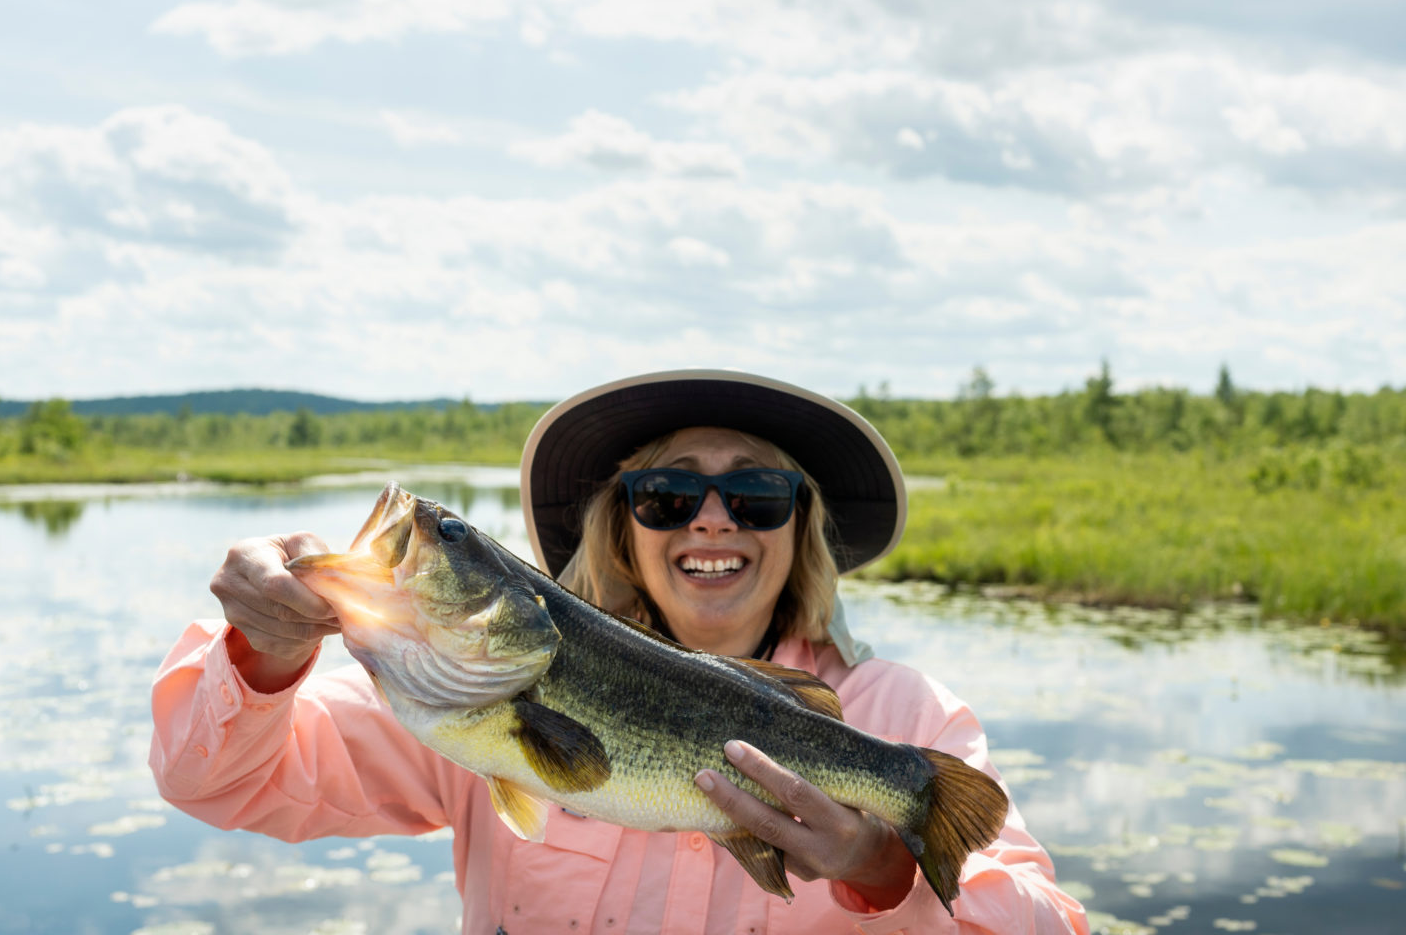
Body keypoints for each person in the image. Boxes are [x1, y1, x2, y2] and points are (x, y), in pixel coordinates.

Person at [151, 369, 1089, 934]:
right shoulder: (458, 696)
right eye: (667, 496)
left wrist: (885, 875)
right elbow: (221, 782)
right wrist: (264, 653)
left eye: (756, 495)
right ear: (622, 525)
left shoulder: (903, 719)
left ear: (800, 529)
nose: (711, 519)